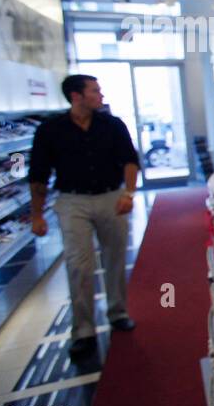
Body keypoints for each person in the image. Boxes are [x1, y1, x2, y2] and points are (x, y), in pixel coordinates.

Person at [29, 74, 141, 358]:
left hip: (110, 197)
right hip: (72, 201)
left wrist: (128, 194)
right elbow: (39, 175)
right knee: (79, 264)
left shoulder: (112, 124)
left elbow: (130, 159)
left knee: (115, 257)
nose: (100, 95)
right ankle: (83, 330)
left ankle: (117, 312)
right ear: (76, 96)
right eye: (95, 90)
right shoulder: (50, 129)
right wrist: (37, 216)